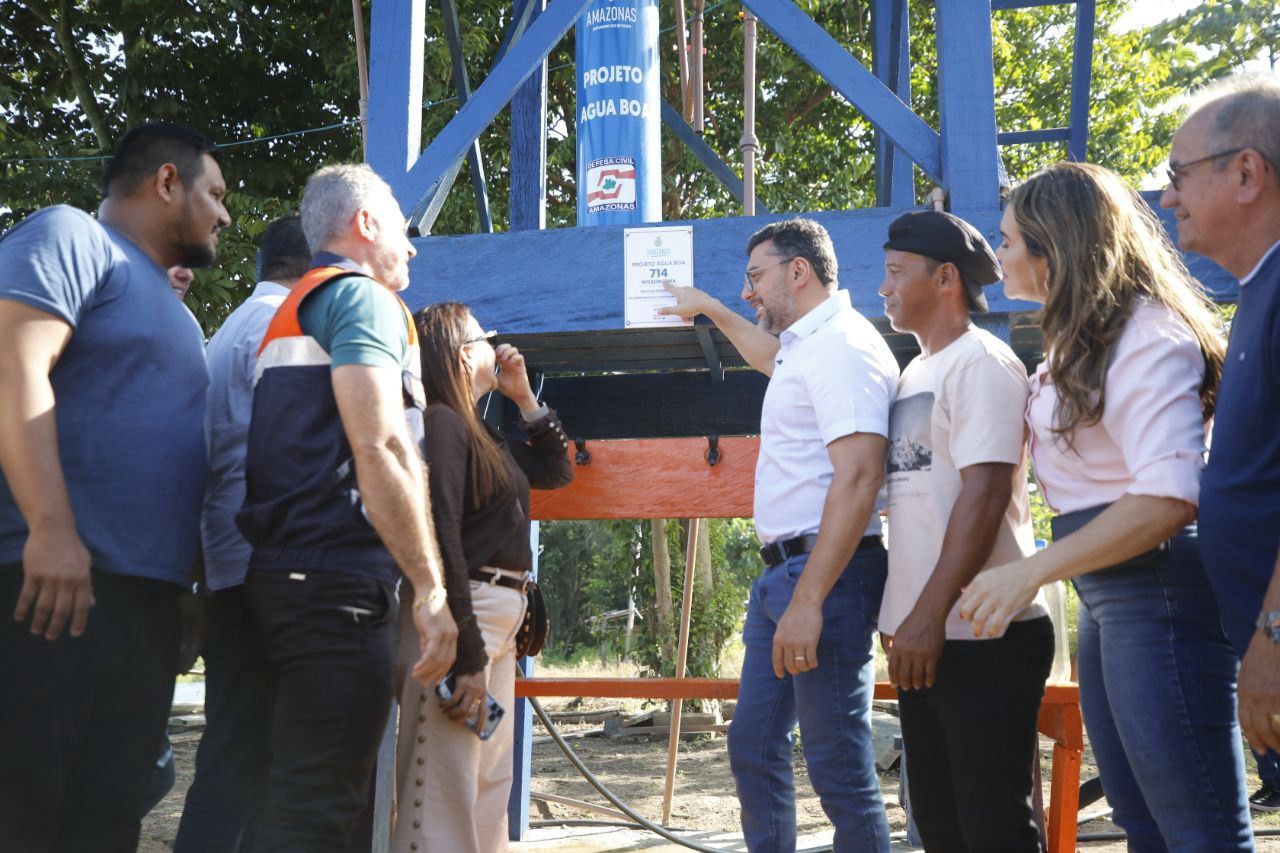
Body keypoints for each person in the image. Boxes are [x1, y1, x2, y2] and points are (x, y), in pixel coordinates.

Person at [958, 162, 1252, 850]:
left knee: (1197, 826)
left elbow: (1170, 496)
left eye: (1008, 239)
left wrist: (1032, 570)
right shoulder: (1078, 341)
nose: (999, 253)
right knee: (1139, 816)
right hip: (1107, 591)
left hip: (1156, 585)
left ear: (1053, 248)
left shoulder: (1146, 335)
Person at [0, 121, 229, 851]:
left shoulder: (179, 315)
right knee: (24, 813)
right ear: (167, 182)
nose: (224, 215)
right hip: (49, 586)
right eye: (215, 194)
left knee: (105, 821)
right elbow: (13, 366)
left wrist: (185, 587)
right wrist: (51, 529)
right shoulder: (71, 236)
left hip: (142, 605)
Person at [235, 164, 458, 849]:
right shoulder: (362, 298)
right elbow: (381, 443)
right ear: (365, 224)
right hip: (335, 584)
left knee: (287, 798)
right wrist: (430, 589)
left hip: (280, 576)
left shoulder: (295, 307)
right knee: (321, 807)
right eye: (401, 227)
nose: (412, 246)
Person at [660, 218, 899, 852]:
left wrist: (809, 599)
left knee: (837, 762)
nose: (748, 293)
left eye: (755, 277)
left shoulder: (843, 346)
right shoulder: (806, 346)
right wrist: (710, 308)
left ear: (799, 271)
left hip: (825, 575)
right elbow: (766, 355)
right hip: (785, 577)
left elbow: (860, 476)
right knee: (753, 743)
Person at [876, 210, 1052, 851]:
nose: (884, 287)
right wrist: (903, 615)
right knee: (940, 824)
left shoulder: (982, 363)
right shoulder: (914, 372)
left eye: (896, 272)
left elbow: (985, 496)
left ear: (946, 277)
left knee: (992, 824)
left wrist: (927, 614)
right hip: (929, 636)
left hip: (985, 633)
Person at [394, 302, 572, 853]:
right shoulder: (442, 422)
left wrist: (525, 399)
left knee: (490, 782)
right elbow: (440, 529)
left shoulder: (482, 432)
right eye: (484, 338)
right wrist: (466, 648)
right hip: (466, 612)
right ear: (461, 353)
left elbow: (557, 470)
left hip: (500, 621)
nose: (496, 347)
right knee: (442, 784)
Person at [1160, 74, 1280, 810]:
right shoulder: (1259, 293)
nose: (1167, 196)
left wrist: (1274, 638)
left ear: (1246, 173)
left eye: (1179, 175)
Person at [174, 214, 312, 852]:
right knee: (253, 756)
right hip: (272, 567)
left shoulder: (230, 329)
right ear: (312, 265)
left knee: (241, 750)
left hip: (232, 564)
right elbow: (291, 455)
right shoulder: (284, 326)